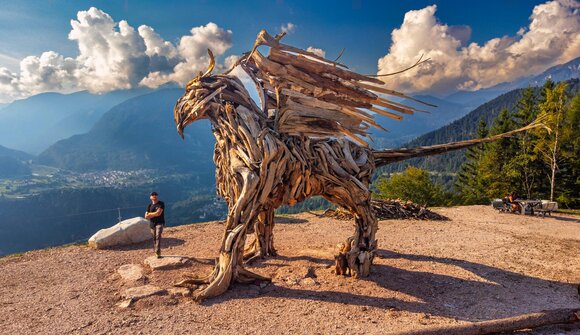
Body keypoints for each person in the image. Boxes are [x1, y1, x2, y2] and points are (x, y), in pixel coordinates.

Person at [145, 191, 165, 258]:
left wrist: (150, 214)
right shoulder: (149, 206)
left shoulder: (161, 204)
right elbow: (146, 216)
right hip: (152, 224)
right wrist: (154, 213)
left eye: (155, 194)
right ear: (150, 197)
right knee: (154, 238)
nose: (154, 195)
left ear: (157, 196)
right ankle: (156, 251)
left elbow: (158, 213)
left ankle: (158, 252)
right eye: (152, 195)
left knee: (158, 236)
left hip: (160, 223)